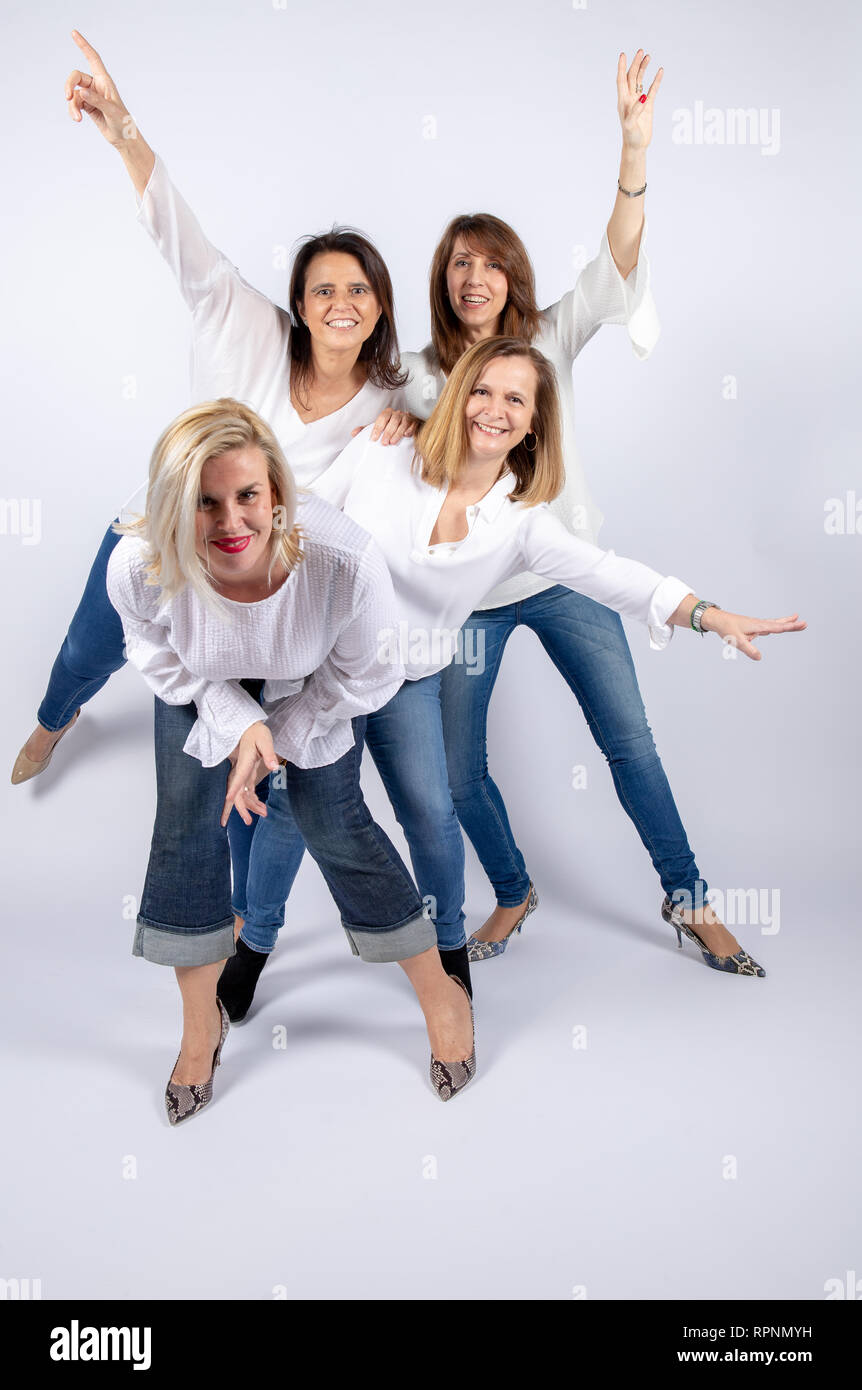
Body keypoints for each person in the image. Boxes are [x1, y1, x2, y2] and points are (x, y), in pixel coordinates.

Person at [224, 338, 805, 1023]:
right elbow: (298, 518)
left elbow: (611, 575)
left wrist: (708, 614)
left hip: (408, 681)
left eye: (515, 399)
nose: (494, 409)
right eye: (483, 390)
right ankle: (253, 948)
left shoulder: (521, 525)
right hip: (324, 667)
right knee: (295, 806)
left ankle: (449, 959)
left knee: (434, 820)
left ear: (533, 424)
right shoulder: (383, 453)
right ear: (459, 393)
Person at [390, 52, 760, 967]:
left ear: (513, 277)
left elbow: (618, 258)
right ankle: (514, 891)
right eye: (457, 264)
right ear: (443, 280)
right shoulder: (418, 376)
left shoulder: (548, 336)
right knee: (461, 773)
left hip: (565, 576)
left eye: (489, 263)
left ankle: (690, 899)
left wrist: (633, 152)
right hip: (466, 602)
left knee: (630, 743)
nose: (473, 277)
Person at [12, 29, 414, 786]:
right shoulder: (245, 323)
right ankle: (54, 719)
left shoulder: (395, 394)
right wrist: (122, 126)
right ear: (298, 302)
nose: (341, 303)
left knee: (250, 725)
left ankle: (244, 862)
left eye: (359, 290)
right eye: (323, 289)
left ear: (381, 307)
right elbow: (178, 234)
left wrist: (417, 425)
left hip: (272, 576)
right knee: (88, 646)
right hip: (176, 534)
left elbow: (486, 397)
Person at [105, 398, 478, 1121]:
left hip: (311, 682)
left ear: (278, 490)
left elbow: (366, 677)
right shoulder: (140, 564)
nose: (230, 522)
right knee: (186, 827)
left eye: (248, 495)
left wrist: (274, 733)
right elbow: (155, 653)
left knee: (333, 822)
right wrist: (236, 720)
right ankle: (197, 1030)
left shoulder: (343, 562)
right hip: (201, 678)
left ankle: (443, 995)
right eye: (204, 503)